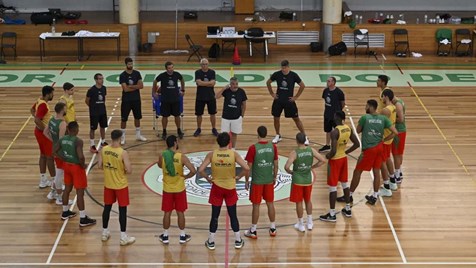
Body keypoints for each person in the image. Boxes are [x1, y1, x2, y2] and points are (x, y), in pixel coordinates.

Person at [338, 100, 398, 207]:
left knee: (357, 172)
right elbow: (395, 132)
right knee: (376, 172)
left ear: (370, 107)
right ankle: (374, 196)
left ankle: (349, 195)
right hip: (379, 148)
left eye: (366, 106)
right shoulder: (383, 118)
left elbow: (358, 130)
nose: (365, 107)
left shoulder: (365, 118)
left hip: (369, 149)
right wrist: (384, 140)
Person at [199, 132, 250, 250]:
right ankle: (238, 240)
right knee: (233, 216)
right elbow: (247, 168)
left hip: (216, 187)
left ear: (218, 142)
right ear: (229, 143)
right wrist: (238, 177)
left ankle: (211, 241)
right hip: (230, 188)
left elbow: (201, 169)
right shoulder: (233, 154)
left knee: (214, 216)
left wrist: (208, 178)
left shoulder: (212, 155)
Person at [319, 111, 359, 222]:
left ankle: (332, 214)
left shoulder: (335, 132)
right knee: (345, 184)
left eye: (335, 117)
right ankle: (347, 209)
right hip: (343, 159)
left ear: (339, 118)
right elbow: (357, 144)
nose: (334, 119)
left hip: (335, 160)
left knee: (333, 188)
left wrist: (327, 156)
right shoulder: (348, 128)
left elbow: (333, 151)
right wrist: (346, 152)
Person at [98, 129, 135, 246]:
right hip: (120, 185)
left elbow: (99, 166)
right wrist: (122, 168)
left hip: (108, 184)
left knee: (107, 208)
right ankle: (123, 237)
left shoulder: (104, 150)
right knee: (122, 210)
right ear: (120, 138)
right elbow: (129, 170)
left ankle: (104, 232)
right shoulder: (122, 152)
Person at [157, 135, 196, 245]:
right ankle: (182, 235)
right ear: (175, 143)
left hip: (167, 189)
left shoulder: (162, 155)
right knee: (180, 212)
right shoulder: (181, 157)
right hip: (179, 188)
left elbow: (160, 166)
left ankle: (165, 235)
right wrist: (185, 177)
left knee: (167, 213)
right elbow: (193, 170)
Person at [56, 121, 96, 227]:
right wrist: (83, 165)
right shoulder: (78, 141)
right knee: (80, 193)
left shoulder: (62, 139)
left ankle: (65, 212)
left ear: (68, 129)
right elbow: (81, 156)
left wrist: (63, 158)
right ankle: (83, 218)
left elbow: (54, 151)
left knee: (67, 189)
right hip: (76, 168)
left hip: (67, 166)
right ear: (76, 130)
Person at [284, 132, 326, 232]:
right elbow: (323, 160)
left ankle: (301, 224)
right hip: (308, 180)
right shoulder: (311, 150)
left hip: (297, 180)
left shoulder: (295, 153)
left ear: (297, 141)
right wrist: (312, 167)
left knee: (299, 202)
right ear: (305, 140)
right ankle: (310, 222)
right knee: (308, 200)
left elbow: (286, 167)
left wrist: (291, 172)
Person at [243, 126, 278, 238]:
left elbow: (248, 167)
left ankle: (253, 230)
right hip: (269, 180)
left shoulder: (253, 148)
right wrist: (274, 177)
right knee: (270, 203)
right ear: (266, 134)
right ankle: (273, 228)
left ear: (257, 134)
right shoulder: (273, 147)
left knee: (256, 206)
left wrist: (247, 180)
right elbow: (276, 164)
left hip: (257, 182)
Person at [266, 60, 309, 145]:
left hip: (289, 101)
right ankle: (278, 135)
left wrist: (296, 97)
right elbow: (268, 82)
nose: (283, 69)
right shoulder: (277, 74)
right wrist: (272, 93)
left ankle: (305, 136)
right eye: (282, 67)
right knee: (276, 118)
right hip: (278, 100)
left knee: (296, 119)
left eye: (285, 67)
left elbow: (302, 85)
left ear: (288, 67)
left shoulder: (293, 75)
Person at [43, 102, 71, 205]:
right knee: (59, 174)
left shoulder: (51, 120)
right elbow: (61, 140)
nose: (66, 109)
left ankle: (53, 192)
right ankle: (59, 198)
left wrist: (53, 141)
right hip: (60, 152)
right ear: (62, 110)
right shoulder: (62, 123)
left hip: (54, 148)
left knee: (59, 173)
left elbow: (45, 133)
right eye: (65, 108)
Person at [30, 85, 55, 189]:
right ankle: (55, 181)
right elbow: (36, 120)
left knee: (43, 155)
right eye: (52, 93)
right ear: (48, 94)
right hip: (43, 134)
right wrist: (45, 129)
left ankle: (43, 180)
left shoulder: (39, 100)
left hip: (39, 132)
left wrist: (38, 121)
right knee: (50, 157)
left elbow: (31, 110)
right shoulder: (43, 105)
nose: (53, 95)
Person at [152, 61, 185, 140]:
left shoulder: (177, 74)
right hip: (165, 100)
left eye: (172, 67)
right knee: (164, 116)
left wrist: (183, 90)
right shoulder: (162, 75)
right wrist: (154, 92)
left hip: (175, 99)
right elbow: (155, 81)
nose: (171, 69)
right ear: (166, 68)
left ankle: (179, 130)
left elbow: (182, 80)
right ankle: (164, 131)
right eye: (169, 68)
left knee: (177, 116)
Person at [119, 57, 147, 144]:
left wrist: (131, 86)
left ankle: (138, 135)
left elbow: (141, 86)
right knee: (124, 119)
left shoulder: (137, 73)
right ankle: (122, 137)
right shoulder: (122, 75)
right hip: (126, 100)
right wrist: (136, 86)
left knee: (137, 117)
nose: (130, 65)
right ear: (126, 64)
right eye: (129, 64)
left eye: (131, 64)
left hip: (136, 99)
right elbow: (125, 89)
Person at [215, 76, 247, 149]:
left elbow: (244, 104)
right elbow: (216, 96)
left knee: (234, 134)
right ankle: (224, 148)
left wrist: (242, 115)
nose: (235, 85)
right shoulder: (226, 91)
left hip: (236, 117)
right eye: (233, 84)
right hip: (226, 117)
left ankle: (233, 148)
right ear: (230, 84)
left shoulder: (242, 92)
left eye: (236, 84)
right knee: (224, 135)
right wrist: (223, 88)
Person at [379, 89, 398, 197]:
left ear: (386, 97)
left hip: (385, 138)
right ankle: (392, 181)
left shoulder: (386, 110)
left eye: (383, 96)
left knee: (382, 163)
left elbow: (378, 123)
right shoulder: (393, 107)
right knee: (387, 159)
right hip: (389, 138)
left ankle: (386, 187)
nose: (382, 98)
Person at [319, 76, 346, 152]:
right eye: (327, 81)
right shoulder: (325, 91)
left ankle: (337, 146)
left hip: (336, 116)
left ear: (333, 82)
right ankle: (327, 145)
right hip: (327, 114)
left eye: (329, 81)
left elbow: (343, 103)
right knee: (328, 130)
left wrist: (338, 112)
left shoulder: (339, 92)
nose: (327, 82)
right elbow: (326, 101)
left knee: (337, 131)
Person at [194, 58, 218, 137]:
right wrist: (208, 83)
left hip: (211, 96)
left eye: (206, 64)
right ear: (201, 65)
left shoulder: (212, 72)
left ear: (208, 64)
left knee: (213, 114)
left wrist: (202, 83)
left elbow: (213, 83)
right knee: (199, 114)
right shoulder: (197, 72)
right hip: (200, 97)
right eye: (203, 64)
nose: (204, 66)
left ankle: (214, 128)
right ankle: (198, 128)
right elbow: (199, 83)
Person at [86, 73, 108, 153]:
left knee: (103, 127)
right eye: (100, 79)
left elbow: (103, 99)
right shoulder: (91, 90)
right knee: (93, 128)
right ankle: (92, 145)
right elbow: (87, 101)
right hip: (94, 113)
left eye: (102, 78)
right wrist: (93, 108)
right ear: (96, 80)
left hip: (102, 111)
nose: (102, 80)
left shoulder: (104, 88)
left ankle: (103, 142)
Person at [391, 93, 406, 184]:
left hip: (399, 131)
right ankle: (399, 171)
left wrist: (390, 119)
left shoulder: (397, 104)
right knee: (399, 153)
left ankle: (397, 175)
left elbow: (400, 119)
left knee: (396, 154)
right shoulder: (400, 101)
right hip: (401, 131)